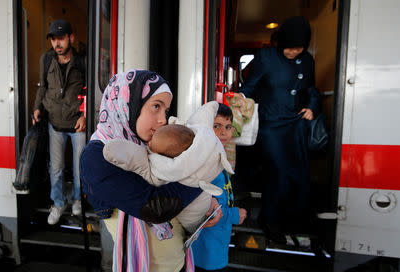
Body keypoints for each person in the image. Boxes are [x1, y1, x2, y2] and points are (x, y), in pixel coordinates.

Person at [80, 70, 223, 272]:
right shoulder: (97, 156)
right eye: (156, 107)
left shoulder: (152, 145)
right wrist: (200, 179)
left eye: (165, 110)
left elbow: (179, 184)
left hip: (179, 262)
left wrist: (210, 203)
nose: (163, 119)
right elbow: (156, 207)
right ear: (126, 105)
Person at [237, 16, 320, 241]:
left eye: (299, 48)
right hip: (271, 126)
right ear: (282, 41)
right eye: (290, 48)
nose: (294, 52)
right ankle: (270, 221)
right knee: (278, 173)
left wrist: (311, 107)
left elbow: (311, 89)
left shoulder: (308, 60)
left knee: (299, 175)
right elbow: (250, 86)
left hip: (297, 124)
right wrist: (238, 104)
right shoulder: (265, 57)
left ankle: (293, 221)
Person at [32, 19, 86, 225]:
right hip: (54, 123)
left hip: (77, 124)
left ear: (71, 38)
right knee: (55, 168)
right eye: (54, 39)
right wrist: (37, 107)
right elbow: (42, 86)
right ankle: (58, 202)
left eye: (61, 38)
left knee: (80, 167)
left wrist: (85, 116)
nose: (57, 44)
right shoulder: (46, 59)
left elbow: (89, 91)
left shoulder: (82, 61)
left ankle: (77, 201)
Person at [192, 103, 248, 272]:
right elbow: (204, 208)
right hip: (206, 248)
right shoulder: (207, 162)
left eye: (228, 126)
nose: (224, 132)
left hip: (216, 242)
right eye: (216, 126)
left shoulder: (218, 156)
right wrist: (234, 215)